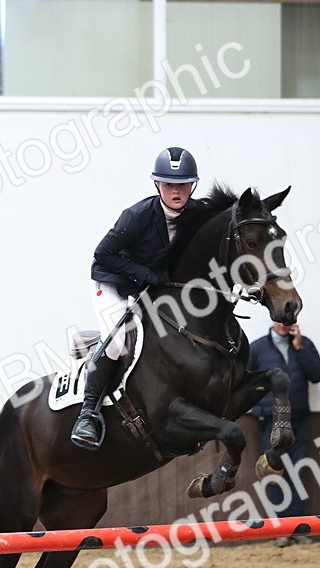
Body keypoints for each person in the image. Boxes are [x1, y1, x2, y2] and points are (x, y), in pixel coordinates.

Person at [71, 147, 200, 449]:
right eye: (169, 184)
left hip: (149, 287)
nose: (176, 191)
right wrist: (145, 274)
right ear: (157, 185)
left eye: (182, 184)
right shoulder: (138, 216)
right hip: (112, 282)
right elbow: (102, 255)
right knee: (117, 340)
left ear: (192, 185)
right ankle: (87, 414)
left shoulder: (196, 215)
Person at [248, 322, 320, 529]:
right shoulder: (257, 348)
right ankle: (279, 528)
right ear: (273, 320)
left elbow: (317, 375)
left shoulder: (304, 344)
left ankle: (298, 526)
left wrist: (299, 348)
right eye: (280, 320)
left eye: (288, 321)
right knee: (273, 471)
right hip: (269, 419)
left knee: (298, 470)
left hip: (298, 418)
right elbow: (246, 382)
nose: (284, 324)